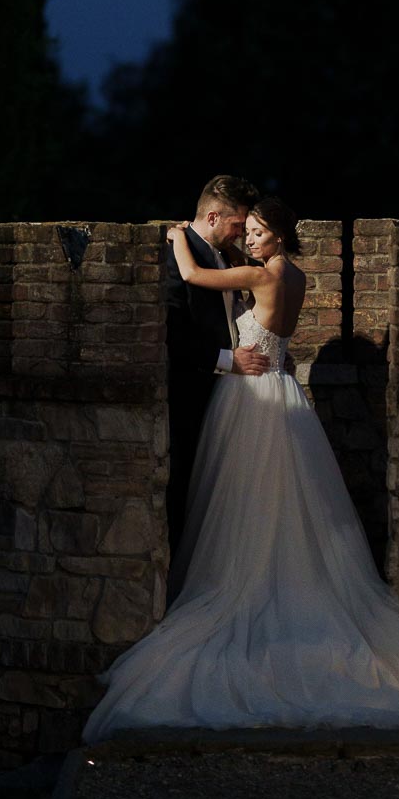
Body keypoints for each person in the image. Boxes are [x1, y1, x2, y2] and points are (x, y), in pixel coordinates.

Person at [82, 196, 399, 753]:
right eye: (246, 231)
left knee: (248, 499)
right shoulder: (295, 275)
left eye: (256, 232)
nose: (248, 239)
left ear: (277, 234)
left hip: (251, 399)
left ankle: (247, 586)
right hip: (282, 388)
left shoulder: (262, 273)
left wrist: (178, 236)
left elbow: (193, 276)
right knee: (283, 502)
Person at [163, 173, 268, 559]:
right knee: (187, 484)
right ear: (212, 218)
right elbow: (171, 329)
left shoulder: (226, 256)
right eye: (237, 225)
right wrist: (227, 360)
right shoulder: (176, 253)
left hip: (229, 392)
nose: (241, 234)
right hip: (192, 390)